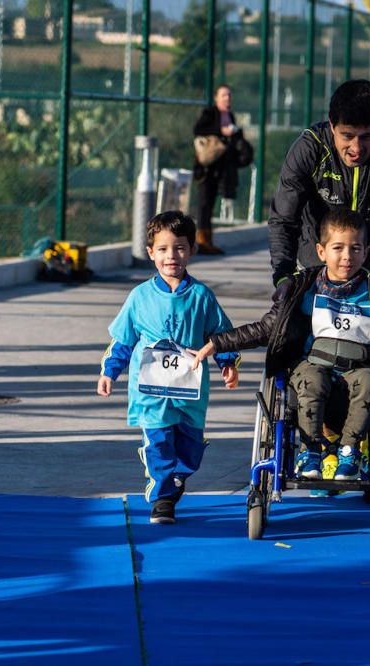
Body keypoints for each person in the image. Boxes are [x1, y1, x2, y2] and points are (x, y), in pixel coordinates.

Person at [192, 210, 370, 481]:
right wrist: (216, 343)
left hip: (360, 369)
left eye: (355, 248)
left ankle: (350, 451)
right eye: (338, 248)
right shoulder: (305, 288)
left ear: (366, 252)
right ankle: (311, 449)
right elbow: (267, 328)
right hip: (314, 366)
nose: (347, 256)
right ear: (321, 251)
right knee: (311, 379)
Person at [96, 211, 240, 524]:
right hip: (150, 392)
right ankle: (162, 498)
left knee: (189, 448)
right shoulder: (139, 297)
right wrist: (110, 371)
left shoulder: (202, 297)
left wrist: (227, 363)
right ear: (150, 253)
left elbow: (220, 335)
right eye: (162, 249)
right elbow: (122, 340)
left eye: (179, 248)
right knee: (159, 440)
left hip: (189, 392)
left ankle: (177, 477)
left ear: (192, 250)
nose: (170, 256)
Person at [269, 80, 370, 293]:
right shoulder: (310, 148)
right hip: (315, 265)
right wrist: (283, 275)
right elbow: (284, 218)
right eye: (347, 136)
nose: (356, 148)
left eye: (366, 137)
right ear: (332, 125)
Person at [192, 84, 242, 255]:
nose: (227, 98)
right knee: (204, 203)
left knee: (212, 203)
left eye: (229, 95)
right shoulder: (210, 113)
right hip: (207, 167)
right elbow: (198, 130)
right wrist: (221, 131)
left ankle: (208, 240)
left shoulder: (231, 116)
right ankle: (201, 240)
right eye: (223, 95)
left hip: (222, 169)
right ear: (216, 98)